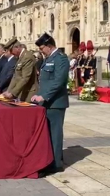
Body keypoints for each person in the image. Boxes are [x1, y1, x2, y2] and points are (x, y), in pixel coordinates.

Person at [31, 32, 69, 176]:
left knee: (55, 133)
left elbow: (58, 81)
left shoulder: (61, 58)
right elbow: (45, 81)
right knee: (47, 133)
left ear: (49, 46)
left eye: (42, 48)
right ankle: (49, 159)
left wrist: (44, 96)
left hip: (55, 103)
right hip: (46, 102)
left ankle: (56, 164)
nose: (41, 51)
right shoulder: (49, 58)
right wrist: (39, 95)